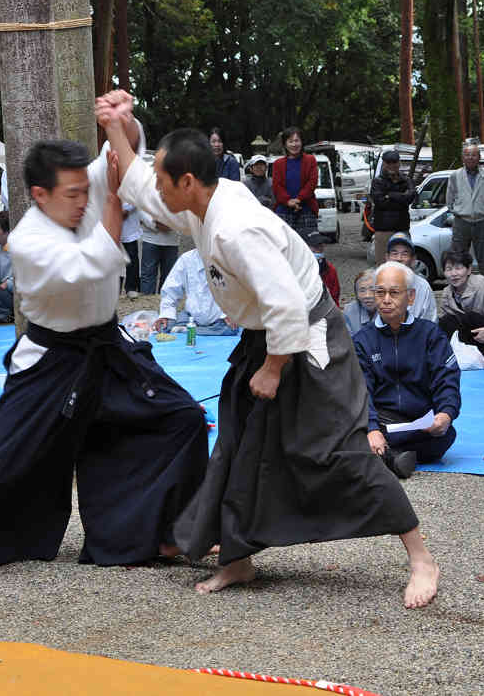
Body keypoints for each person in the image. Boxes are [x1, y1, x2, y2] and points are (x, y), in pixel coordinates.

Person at [101, 91, 438, 608]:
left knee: (337, 449)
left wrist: (274, 368)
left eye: (165, 180)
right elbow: (140, 184)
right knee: (239, 439)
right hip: (265, 335)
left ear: (187, 181)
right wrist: (114, 124)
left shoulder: (237, 228)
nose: (158, 190)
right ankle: (237, 558)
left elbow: (286, 303)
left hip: (309, 336)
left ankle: (420, 556)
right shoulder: (201, 202)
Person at [0, 129, 210, 582]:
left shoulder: (82, 185)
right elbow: (95, 264)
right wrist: (111, 204)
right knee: (5, 448)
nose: (82, 200)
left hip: (108, 345)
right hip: (51, 355)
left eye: (85, 190)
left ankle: (167, 531)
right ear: (40, 194)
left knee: (183, 419)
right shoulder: (29, 241)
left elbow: (117, 154)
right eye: (72, 194)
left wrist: (122, 122)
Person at [354, 261, 461, 479]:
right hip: (383, 421)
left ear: (411, 297)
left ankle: (388, 456)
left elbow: (447, 378)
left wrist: (445, 414)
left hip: (420, 422)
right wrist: (372, 428)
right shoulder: (362, 340)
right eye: (380, 292)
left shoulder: (430, 334)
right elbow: (360, 390)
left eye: (394, 293)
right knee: (354, 433)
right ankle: (394, 456)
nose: (386, 300)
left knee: (446, 434)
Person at [437, 249, 484, 366]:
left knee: (470, 316)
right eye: (449, 269)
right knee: (446, 321)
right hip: (471, 338)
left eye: (458, 268)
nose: (453, 274)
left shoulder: (481, 283)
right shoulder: (447, 293)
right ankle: (473, 355)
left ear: (469, 270)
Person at [153, 248, 237, 336]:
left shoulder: (229, 259)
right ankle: (192, 330)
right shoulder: (186, 259)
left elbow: (239, 291)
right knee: (166, 326)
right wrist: (166, 314)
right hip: (191, 317)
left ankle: (186, 331)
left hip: (220, 320)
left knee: (229, 329)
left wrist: (230, 313)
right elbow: (170, 291)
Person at [446, 142, 484, 271]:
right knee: (458, 257)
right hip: (461, 221)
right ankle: (460, 280)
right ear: (463, 157)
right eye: (467, 155)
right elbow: (449, 199)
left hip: (483, 222)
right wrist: (459, 210)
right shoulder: (455, 175)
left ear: (479, 157)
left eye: (474, 155)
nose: (470, 158)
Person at [271, 126, 319, 239]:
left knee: (309, 244)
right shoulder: (278, 163)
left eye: (297, 140)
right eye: (290, 141)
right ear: (285, 144)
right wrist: (288, 201)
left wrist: (298, 199)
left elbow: (312, 183)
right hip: (283, 210)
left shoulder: (310, 160)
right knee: (284, 244)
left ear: (302, 142)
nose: (294, 144)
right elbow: (277, 186)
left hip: (306, 209)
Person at [369, 149, 416, 264]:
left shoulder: (406, 180)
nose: (391, 165)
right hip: (383, 230)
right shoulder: (377, 181)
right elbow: (380, 202)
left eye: (394, 162)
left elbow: (410, 198)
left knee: (405, 265)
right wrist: (401, 197)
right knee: (383, 266)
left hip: (402, 229)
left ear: (399, 163)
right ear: (384, 164)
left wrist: (390, 195)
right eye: (388, 162)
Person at [384, 231, 437, 322]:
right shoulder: (378, 283)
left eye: (404, 254)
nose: (399, 258)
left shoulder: (423, 286)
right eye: (394, 253)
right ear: (387, 258)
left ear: (413, 259)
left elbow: (430, 321)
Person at [138, 207, 178, 294]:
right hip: (150, 240)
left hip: (171, 242)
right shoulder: (148, 198)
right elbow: (142, 210)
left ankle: (166, 300)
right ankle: (147, 300)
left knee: (169, 276)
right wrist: (155, 224)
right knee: (148, 274)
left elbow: (181, 217)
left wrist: (168, 224)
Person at [306, 231, 340, 305]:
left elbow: (335, 295)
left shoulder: (330, 269)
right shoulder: (299, 270)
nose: (320, 248)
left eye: (321, 245)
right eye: (315, 246)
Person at [343, 268, 377, 336]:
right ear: (356, 294)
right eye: (362, 290)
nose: (367, 295)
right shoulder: (349, 311)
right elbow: (348, 339)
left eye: (372, 289)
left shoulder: (390, 310)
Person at [119, 200, 141, 298]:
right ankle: (116, 290)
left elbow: (135, 198)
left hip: (130, 231)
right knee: (114, 261)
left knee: (132, 260)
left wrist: (124, 209)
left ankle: (131, 288)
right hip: (112, 229)